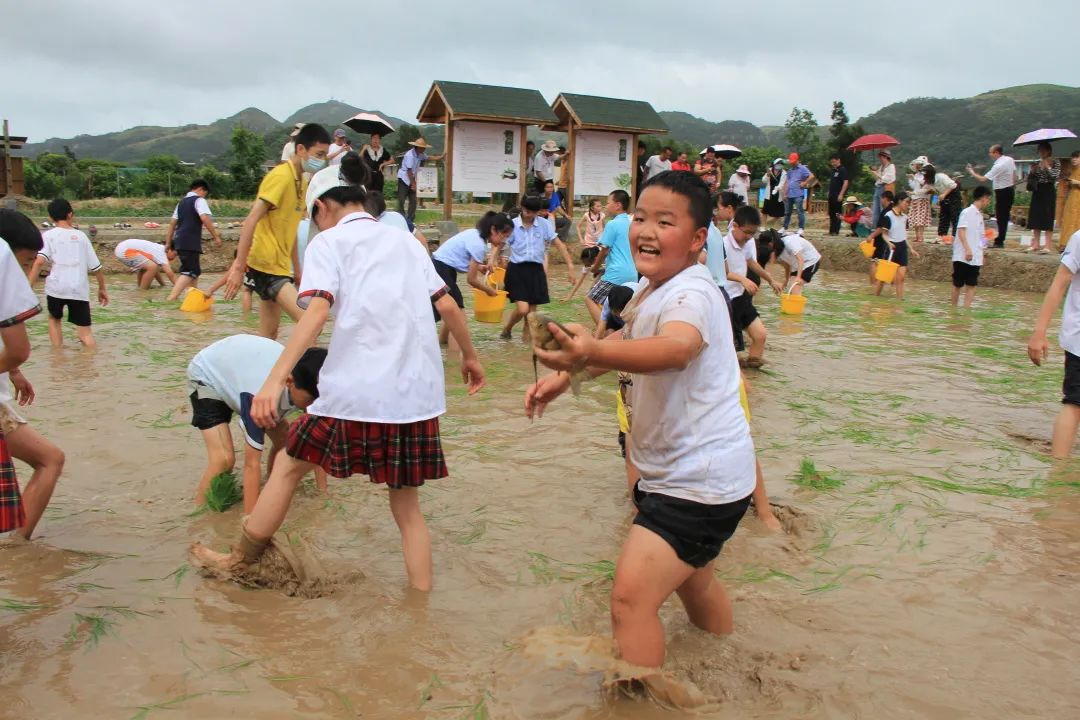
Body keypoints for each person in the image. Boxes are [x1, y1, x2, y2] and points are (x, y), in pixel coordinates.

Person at [191, 162, 486, 593]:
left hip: (356, 392)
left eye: (313, 216)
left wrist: (275, 380)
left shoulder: (328, 243)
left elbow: (316, 311)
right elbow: (447, 306)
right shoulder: (406, 240)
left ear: (324, 207)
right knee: (407, 508)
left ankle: (239, 561)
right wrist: (471, 358)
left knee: (290, 465)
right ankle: (420, 606)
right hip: (414, 398)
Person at [524, 171, 758, 668]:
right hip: (699, 475)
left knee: (630, 603)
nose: (647, 231)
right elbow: (624, 346)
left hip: (697, 483)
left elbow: (678, 347)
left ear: (698, 239)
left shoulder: (689, 295)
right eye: (642, 217)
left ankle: (637, 700)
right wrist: (568, 376)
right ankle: (727, 665)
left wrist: (587, 348)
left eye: (666, 222)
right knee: (697, 580)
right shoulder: (656, 287)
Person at [188, 335, 326, 514]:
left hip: (241, 368)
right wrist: (250, 520)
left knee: (287, 443)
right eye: (311, 400)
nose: (315, 406)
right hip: (207, 375)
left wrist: (323, 493)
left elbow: (315, 440)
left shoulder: (311, 386)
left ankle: (272, 487)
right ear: (290, 383)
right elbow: (251, 464)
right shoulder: (259, 398)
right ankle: (199, 516)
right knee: (223, 460)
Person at [223, 123, 331, 339]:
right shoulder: (280, 177)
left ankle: (265, 372)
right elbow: (251, 220)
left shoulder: (301, 183)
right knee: (312, 323)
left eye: (325, 155)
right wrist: (237, 266)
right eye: (318, 154)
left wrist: (298, 271)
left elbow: (289, 230)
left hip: (280, 268)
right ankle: (303, 372)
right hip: (266, 266)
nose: (322, 160)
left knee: (268, 335)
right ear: (301, 149)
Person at [1, 209, 62, 542]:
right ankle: (17, 551)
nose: (27, 271)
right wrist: (14, 362)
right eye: (25, 263)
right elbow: (18, 348)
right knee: (50, 459)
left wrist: (14, 371)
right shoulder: (1, 260)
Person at [28, 199, 108, 349]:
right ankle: (91, 362)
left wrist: (28, 287)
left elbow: (39, 263)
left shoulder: (48, 236)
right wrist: (102, 288)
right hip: (78, 289)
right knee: (85, 333)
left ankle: (58, 357)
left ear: (51, 218)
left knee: (54, 319)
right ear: (70, 214)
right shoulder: (82, 237)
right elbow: (96, 267)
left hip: (56, 287)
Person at [500, 196, 575, 340]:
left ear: (538, 211)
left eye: (534, 212)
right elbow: (500, 244)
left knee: (532, 314)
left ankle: (526, 344)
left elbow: (559, 244)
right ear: (522, 208)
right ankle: (507, 328)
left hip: (536, 270)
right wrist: (492, 259)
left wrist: (570, 266)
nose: (530, 215)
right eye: (527, 211)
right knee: (523, 309)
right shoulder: (512, 224)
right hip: (516, 270)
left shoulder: (544, 224)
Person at [432, 212, 513, 344]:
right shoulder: (479, 245)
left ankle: (443, 345)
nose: (505, 240)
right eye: (504, 235)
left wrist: (480, 267)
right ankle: (455, 356)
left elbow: (460, 259)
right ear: (493, 230)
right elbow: (471, 280)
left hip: (440, 266)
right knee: (459, 314)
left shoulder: (474, 234)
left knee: (452, 309)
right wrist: (488, 290)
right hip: (442, 269)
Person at [725, 205, 782, 367]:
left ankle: (753, 370)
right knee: (731, 347)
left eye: (753, 233)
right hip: (728, 300)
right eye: (747, 232)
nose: (750, 237)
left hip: (742, 297)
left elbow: (751, 262)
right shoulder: (723, 245)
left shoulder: (748, 242)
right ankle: (737, 378)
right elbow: (721, 273)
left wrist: (771, 279)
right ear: (735, 226)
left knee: (760, 335)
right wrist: (742, 279)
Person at [165, 179, 223, 302]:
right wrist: (216, 236)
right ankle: (171, 298)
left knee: (194, 271)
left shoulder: (180, 203)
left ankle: (192, 299)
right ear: (201, 189)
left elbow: (172, 224)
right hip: (190, 240)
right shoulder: (199, 200)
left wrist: (168, 242)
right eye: (205, 193)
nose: (204, 196)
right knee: (190, 270)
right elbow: (204, 218)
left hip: (180, 240)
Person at [585, 190, 634, 324]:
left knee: (590, 299)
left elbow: (604, 250)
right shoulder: (632, 223)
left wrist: (595, 268)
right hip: (633, 274)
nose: (606, 206)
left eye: (608, 203)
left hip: (616, 274)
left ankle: (604, 332)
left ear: (618, 205)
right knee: (620, 308)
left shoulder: (613, 224)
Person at [870, 191, 919, 299]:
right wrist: (889, 243)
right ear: (899, 201)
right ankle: (875, 298)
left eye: (909, 203)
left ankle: (899, 300)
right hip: (891, 248)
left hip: (902, 248)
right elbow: (884, 234)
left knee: (901, 277)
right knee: (883, 277)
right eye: (906, 202)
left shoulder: (905, 218)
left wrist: (911, 249)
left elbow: (904, 236)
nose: (908, 205)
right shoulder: (888, 216)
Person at [967, 144, 1017, 249]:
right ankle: (1000, 239)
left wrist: (972, 172)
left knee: (1001, 217)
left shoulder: (999, 165)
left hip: (1002, 191)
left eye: (991, 152)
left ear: (996, 153)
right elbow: (1014, 175)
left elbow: (982, 179)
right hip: (1010, 189)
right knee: (1004, 215)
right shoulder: (1009, 159)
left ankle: (999, 241)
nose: (990, 154)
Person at [952, 186, 991, 307]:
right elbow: (961, 231)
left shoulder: (980, 215)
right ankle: (953, 309)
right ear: (983, 198)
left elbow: (982, 236)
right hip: (962, 255)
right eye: (988, 199)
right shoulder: (967, 212)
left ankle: (966, 310)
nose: (988, 202)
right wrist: (968, 249)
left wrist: (982, 253)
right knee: (957, 284)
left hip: (975, 257)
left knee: (972, 284)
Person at [397, 137, 443, 223]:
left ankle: (410, 220)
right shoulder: (409, 155)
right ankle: (401, 219)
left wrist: (441, 157)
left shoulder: (420, 154)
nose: (425, 149)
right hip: (404, 178)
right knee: (401, 200)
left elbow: (429, 157)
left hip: (412, 178)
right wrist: (413, 184)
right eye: (423, 147)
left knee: (413, 201)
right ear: (418, 147)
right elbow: (409, 171)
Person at [1027, 142, 1060, 255]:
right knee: (1035, 216)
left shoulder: (1055, 162)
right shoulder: (1037, 162)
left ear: (1049, 151)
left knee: (1047, 216)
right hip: (1038, 190)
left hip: (1049, 190)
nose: (1041, 152)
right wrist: (1032, 172)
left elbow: (1054, 177)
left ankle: (1047, 246)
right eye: (1040, 150)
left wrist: (1047, 167)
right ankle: (1035, 244)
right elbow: (1031, 180)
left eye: (1043, 150)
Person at [767, 230, 822, 295]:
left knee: (795, 284)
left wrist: (798, 277)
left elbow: (800, 259)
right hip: (797, 265)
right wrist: (786, 281)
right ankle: (793, 303)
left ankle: (796, 302)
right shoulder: (778, 251)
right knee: (791, 287)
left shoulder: (790, 243)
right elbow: (787, 267)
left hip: (811, 261)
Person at [923, 164, 960, 243]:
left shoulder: (941, 177)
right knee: (944, 216)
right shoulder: (931, 182)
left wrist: (944, 194)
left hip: (953, 194)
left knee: (954, 216)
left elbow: (953, 185)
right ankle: (942, 236)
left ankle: (955, 236)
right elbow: (936, 190)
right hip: (943, 196)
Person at [866, 190, 894, 284]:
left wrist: (871, 236)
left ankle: (873, 285)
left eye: (881, 198)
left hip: (882, 241)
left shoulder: (886, 211)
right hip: (891, 241)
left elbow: (881, 228)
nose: (880, 201)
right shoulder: (894, 210)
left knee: (875, 262)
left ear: (885, 198)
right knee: (891, 264)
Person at [781, 152, 814, 233]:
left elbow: (811, 176)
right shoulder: (790, 170)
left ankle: (801, 228)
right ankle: (784, 227)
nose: (792, 164)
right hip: (789, 194)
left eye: (794, 162)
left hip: (798, 194)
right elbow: (787, 182)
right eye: (791, 162)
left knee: (800, 211)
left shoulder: (803, 168)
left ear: (797, 160)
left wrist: (804, 183)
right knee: (787, 212)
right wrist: (785, 193)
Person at [907, 156, 932, 244]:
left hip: (922, 198)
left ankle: (921, 236)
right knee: (914, 218)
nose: (917, 166)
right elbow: (914, 186)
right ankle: (917, 236)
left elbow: (924, 184)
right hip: (915, 197)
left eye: (919, 164)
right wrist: (911, 179)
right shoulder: (917, 174)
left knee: (920, 218)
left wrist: (914, 178)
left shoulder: (926, 174)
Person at [1058, 151, 1080, 248]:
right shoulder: (1072, 170)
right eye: (1073, 157)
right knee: (1068, 221)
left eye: (1077, 157)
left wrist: (1077, 182)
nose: (1074, 159)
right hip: (1071, 199)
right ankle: (1067, 244)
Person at [870, 150, 897, 225]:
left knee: (883, 208)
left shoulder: (891, 167)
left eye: (882, 157)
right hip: (878, 187)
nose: (880, 159)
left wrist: (877, 174)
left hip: (885, 188)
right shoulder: (881, 167)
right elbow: (877, 179)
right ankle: (876, 226)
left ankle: (884, 226)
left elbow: (887, 179)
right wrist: (874, 172)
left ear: (886, 157)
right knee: (876, 209)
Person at [827, 154, 850, 236]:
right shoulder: (833, 171)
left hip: (838, 195)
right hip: (831, 195)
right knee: (831, 213)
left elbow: (846, 182)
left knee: (837, 213)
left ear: (838, 160)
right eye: (831, 162)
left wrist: (841, 194)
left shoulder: (842, 170)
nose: (833, 163)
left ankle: (836, 231)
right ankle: (831, 231)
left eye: (834, 162)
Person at [577, 198, 605, 263]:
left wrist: (604, 238)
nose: (600, 208)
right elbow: (578, 226)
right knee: (587, 257)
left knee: (599, 258)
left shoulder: (602, 215)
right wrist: (581, 239)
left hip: (599, 241)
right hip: (588, 241)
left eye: (600, 206)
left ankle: (597, 271)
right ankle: (585, 271)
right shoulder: (586, 215)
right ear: (592, 208)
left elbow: (604, 227)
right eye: (598, 206)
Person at [761, 159, 786, 228]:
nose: (780, 166)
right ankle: (763, 226)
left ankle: (774, 228)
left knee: (778, 214)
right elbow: (763, 181)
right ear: (774, 164)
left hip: (778, 194)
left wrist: (777, 188)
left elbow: (782, 183)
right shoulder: (769, 170)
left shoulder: (784, 173)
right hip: (769, 194)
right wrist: (767, 175)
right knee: (765, 212)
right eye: (778, 164)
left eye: (781, 164)